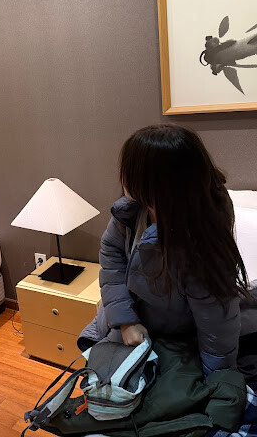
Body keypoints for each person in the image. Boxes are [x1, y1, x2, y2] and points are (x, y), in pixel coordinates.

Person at [78, 124, 257, 381]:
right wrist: (125, 321)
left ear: (154, 183)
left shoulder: (200, 241)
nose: (122, 177)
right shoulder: (129, 213)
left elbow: (216, 320)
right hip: (130, 320)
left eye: (129, 170)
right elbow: (111, 260)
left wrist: (218, 383)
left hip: (175, 335)